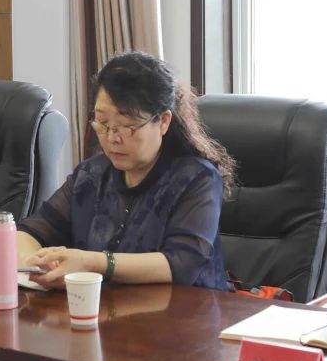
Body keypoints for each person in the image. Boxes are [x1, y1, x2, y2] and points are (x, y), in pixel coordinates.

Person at [18, 51, 233, 290]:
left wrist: (93, 263)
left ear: (163, 121)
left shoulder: (197, 178)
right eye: (103, 123)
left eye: (127, 126)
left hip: (186, 309)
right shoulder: (91, 175)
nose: (112, 138)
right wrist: (33, 263)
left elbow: (181, 264)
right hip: (105, 309)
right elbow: (31, 231)